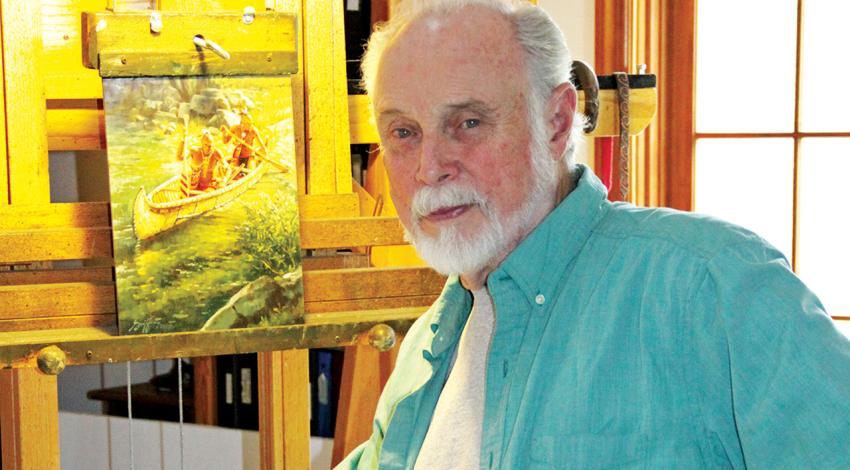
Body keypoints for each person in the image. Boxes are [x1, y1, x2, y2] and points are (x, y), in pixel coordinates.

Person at [336, 0, 850, 469]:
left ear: (558, 122)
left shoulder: (712, 287)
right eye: (404, 132)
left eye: (468, 123)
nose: (429, 168)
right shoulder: (428, 343)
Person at [177, 128, 227, 196]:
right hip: (193, 185)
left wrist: (224, 179)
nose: (208, 148)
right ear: (201, 143)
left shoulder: (216, 153)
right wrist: (183, 141)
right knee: (185, 178)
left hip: (209, 186)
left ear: (213, 145)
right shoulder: (194, 151)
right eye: (205, 145)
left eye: (210, 146)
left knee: (209, 191)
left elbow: (227, 168)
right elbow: (179, 158)